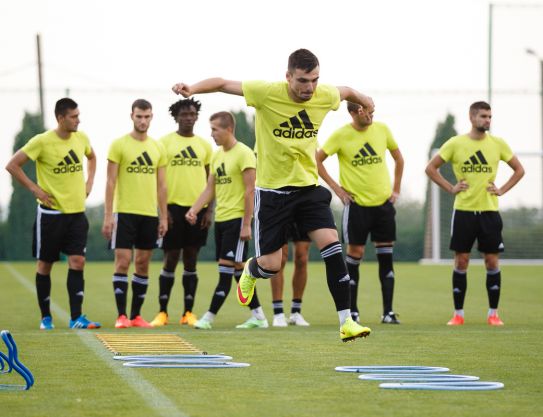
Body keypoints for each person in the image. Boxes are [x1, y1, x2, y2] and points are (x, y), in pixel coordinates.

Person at [173, 48, 374, 342]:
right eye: (303, 81)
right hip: (272, 195)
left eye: (315, 80)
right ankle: (252, 271)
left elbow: (346, 92)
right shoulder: (266, 93)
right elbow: (222, 83)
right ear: (288, 76)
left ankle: (347, 322)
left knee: (332, 247)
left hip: (308, 189)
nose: (309, 88)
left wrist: (365, 100)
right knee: (272, 264)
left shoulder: (324, 95)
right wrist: (192, 89)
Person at [425, 101, 524, 326]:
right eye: (483, 116)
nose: (487, 120)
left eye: (489, 116)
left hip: (489, 211)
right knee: (462, 261)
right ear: (472, 118)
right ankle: (458, 314)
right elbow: (431, 168)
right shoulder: (456, 143)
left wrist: (501, 190)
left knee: (491, 261)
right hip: (463, 212)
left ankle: (493, 314)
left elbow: (519, 170)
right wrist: (451, 187)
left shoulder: (498, 144)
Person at [5, 98, 101, 330]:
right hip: (51, 216)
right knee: (45, 265)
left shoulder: (82, 138)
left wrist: (89, 182)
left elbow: (92, 157)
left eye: (78, 115)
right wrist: (34, 188)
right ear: (61, 118)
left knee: (77, 261)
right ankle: (45, 317)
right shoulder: (42, 141)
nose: (79, 120)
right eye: (74, 116)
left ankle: (76, 317)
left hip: (77, 214)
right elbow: (12, 165)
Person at [316, 102, 404, 324]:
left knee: (386, 257)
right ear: (355, 112)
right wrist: (337, 189)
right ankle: (352, 312)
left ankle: (388, 312)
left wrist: (396, 189)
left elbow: (398, 158)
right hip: (356, 206)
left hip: (383, 205)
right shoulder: (341, 135)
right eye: (368, 113)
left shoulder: (382, 130)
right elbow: (317, 160)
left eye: (374, 112)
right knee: (354, 256)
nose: (372, 117)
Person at [187, 111, 268, 330]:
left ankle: (208, 318)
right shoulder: (216, 155)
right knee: (237, 271)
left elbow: (250, 191)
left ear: (229, 129)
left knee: (225, 271)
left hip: (237, 221)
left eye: (215, 129)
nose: (211, 134)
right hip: (221, 221)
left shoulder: (244, 154)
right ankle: (259, 316)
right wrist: (195, 209)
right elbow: (210, 188)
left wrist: (246, 223)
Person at [102, 99, 168, 328]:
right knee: (123, 261)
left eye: (147, 116)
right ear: (132, 116)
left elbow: (162, 186)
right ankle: (121, 316)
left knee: (142, 263)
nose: (143, 120)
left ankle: (136, 316)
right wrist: (108, 216)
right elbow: (110, 182)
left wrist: (164, 216)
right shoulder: (118, 145)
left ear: (152, 117)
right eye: (139, 116)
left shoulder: (158, 147)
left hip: (149, 215)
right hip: (124, 213)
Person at [149, 98, 213, 328]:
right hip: (173, 209)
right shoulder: (164, 143)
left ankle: (188, 312)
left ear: (197, 116)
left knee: (191, 259)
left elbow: (211, 181)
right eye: (183, 114)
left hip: (197, 209)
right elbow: (158, 181)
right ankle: (162, 312)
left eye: (192, 113)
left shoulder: (205, 146)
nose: (188, 117)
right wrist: (163, 212)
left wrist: (209, 211)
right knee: (170, 258)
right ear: (175, 117)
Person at [271, 227, 311, 327]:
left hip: (301, 213)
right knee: (280, 259)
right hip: (281, 212)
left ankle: (296, 312)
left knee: (302, 257)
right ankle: (278, 313)